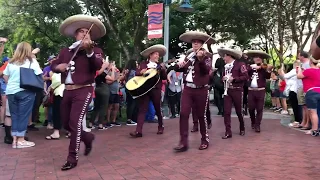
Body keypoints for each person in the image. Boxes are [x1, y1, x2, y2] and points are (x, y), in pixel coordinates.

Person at [51, 14, 106, 171]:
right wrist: (58, 67)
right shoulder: (66, 51)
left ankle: (72, 158)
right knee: (66, 124)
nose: (84, 34)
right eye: (81, 31)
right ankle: (87, 138)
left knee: (75, 123)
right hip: (67, 91)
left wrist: (89, 52)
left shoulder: (95, 50)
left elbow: (97, 65)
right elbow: (54, 64)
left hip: (84, 90)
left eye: (87, 32)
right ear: (76, 35)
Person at [167, 31, 214, 152]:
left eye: (197, 42)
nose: (195, 44)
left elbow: (206, 71)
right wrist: (177, 66)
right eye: (193, 42)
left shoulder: (207, 57)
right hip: (188, 89)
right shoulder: (189, 56)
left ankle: (205, 139)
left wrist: (201, 59)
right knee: (183, 114)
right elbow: (182, 68)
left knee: (200, 115)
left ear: (202, 44)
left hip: (201, 89)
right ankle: (183, 142)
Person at [3, 42, 43, 148]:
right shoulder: (32, 61)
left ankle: (14, 140)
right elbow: (39, 74)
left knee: (14, 116)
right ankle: (21, 140)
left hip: (11, 92)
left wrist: (12, 84)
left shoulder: (11, 62)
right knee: (23, 116)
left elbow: (5, 77)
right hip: (26, 91)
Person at [129, 44, 167, 137]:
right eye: (155, 54)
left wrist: (163, 70)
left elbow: (164, 78)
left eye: (158, 54)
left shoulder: (159, 66)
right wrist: (141, 72)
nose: (157, 56)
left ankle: (161, 126)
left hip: (156, 89)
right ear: (150, 55)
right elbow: (137, 73)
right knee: (142, 109)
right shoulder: (143, 64)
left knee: (158, 108)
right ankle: (138, 131)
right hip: (144, 90)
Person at [218, 47, 249, 139]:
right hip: (227, 90)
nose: (223, 59)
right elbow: (221, 78)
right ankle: (228, 132)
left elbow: (246, 77)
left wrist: (234, 79)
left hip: (237, 90)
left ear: (229, 56)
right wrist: (222, 79)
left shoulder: (240, 64)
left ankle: (242, 127)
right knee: (226, 112)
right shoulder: (225, 67)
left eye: (224, 57)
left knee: (239, 111)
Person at [245, 50, 272, 132]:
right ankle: (253, 122)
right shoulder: (249, 66)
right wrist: (252, 67)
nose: (258, 59)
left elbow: (267, 76)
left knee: (260, 108)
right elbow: (245, 72)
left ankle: (257, 125)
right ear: (253, 58)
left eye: (259, 57)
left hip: (260, 91)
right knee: (251, 108)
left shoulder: (264, 67)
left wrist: (268, 70)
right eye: (256, 57)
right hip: (251, 91)